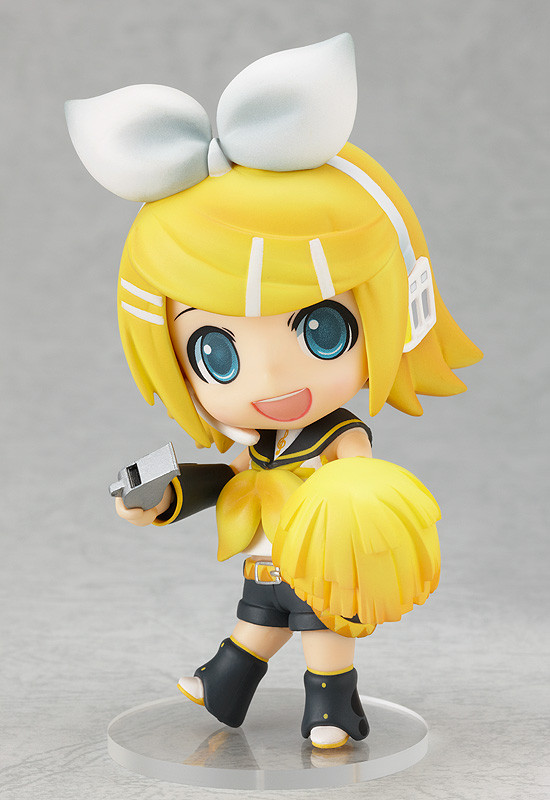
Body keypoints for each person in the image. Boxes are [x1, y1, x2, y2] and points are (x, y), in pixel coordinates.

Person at [66, 34, 481, 749]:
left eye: (322, 330)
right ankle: (223, 687)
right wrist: (165, 496)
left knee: (322, 636)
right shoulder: (257, 443)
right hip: (268, 556)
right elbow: (229, 479)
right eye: (217, 353)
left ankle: (331, 709)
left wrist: (363, 538)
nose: (271, 380)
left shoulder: (338, 437)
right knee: (255, 623)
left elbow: (361, 488)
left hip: (324, 564)